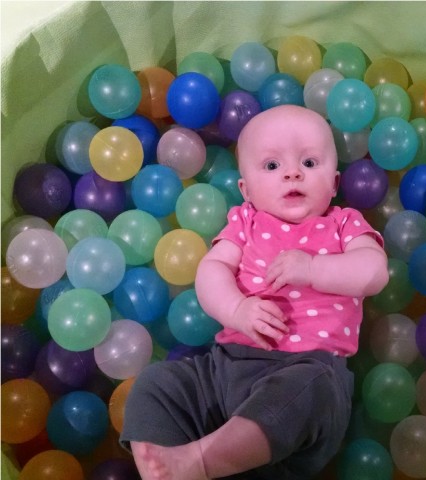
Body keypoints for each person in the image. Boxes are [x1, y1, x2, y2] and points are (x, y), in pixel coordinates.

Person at [121, 105, 389, 480]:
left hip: (306, 372)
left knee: (312, 389)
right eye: (272, 165)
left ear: (334, 183)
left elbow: (374, 271)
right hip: (224, 370)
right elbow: (212, 270)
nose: (293, 173)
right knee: (156, 383)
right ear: (245, 190)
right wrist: (237, 310)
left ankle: (198, 462)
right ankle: (163, 470)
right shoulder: (245, 222)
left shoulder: (343, 223)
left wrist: (313, 269)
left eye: (310, 163)